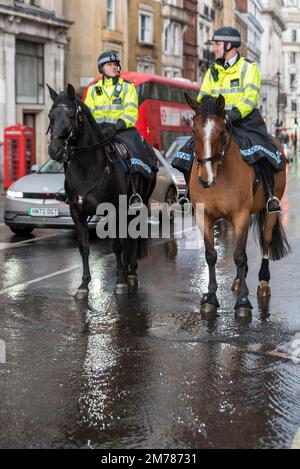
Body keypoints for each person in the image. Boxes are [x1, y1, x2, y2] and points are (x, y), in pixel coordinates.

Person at [197, 26, 283, 213]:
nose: (215, 48)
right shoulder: (212, 71)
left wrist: (233, 114)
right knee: (193, 148)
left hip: (245, 121)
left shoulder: (249, 67)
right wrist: (207, 113)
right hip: (218, 122)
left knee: (263, 150)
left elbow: (250, 97)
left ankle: (270, 196)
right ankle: (186, 195)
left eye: (218, 44)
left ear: (229, 45)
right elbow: (203, 96)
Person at [83, 51, 156, 205]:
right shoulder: (92, 89)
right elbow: (88, 114)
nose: (113, 67)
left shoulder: (127, 88)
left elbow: (131, 112)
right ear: (101, 68)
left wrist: (117, 126)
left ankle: (135, 192)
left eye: (115, 64)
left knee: (133, 155)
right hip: (99, 132)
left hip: (122, 131)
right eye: (109, 65)